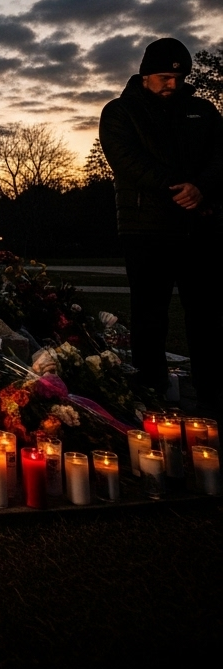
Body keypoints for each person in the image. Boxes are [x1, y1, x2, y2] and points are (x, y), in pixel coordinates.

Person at [99, 38, 223, 416]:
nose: (172, 84)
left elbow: (221, 155)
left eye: (179, 77)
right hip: (145, 227)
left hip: (198, 225)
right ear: (145, 74)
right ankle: (151, 390)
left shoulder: (202, 111)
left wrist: (202, 189)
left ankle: (212, 392)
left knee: (205, 313)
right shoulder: (121, 112)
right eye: (164, 77)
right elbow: (127, 161)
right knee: (149, 314)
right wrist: (179, 187)